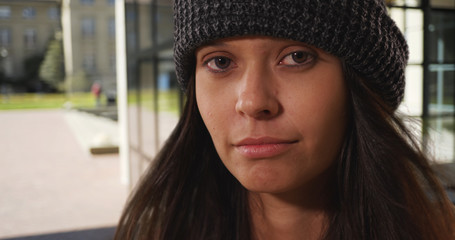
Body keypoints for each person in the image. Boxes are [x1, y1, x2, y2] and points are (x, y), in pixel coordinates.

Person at [115, 0, 455, 239]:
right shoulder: (162, 232)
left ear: (358, 84)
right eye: (220, 62)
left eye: (296, 57)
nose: (253, 102)